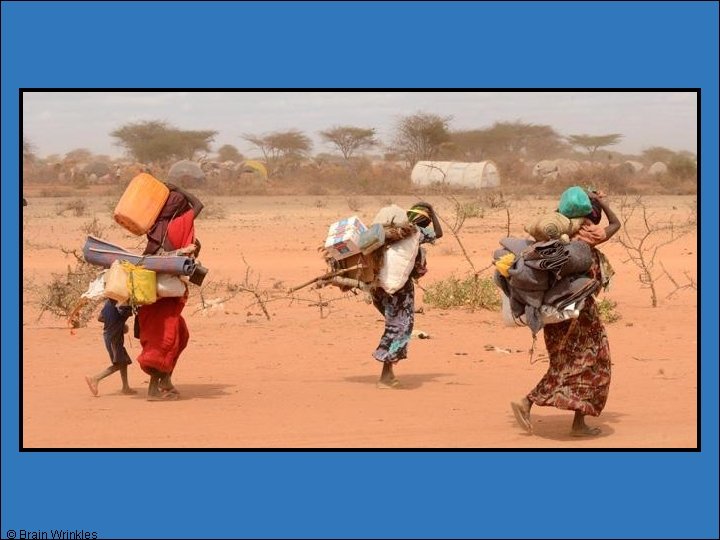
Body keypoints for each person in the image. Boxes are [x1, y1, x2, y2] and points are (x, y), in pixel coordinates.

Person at [511, 190, 620, 436]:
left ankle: (567, 418)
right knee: (593, 364)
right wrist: (602, 202)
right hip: (582, 315)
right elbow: (616, 224)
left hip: (556, 313)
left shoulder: (555, 235)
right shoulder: (587, 235)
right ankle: (531, 402)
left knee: (565, 362)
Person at [136, 184, 203, 401]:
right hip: (164, 300)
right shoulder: (177, 225)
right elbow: (198, 205)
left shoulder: (155, 227)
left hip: (153, 298)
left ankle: (165, 381)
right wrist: (179, 188)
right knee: (163, 341)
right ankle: (153, 390)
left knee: (180, 336)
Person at [371, 202, 443, 389]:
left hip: (378, 288)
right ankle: (386, 376)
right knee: (399, 328)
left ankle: (388, 373)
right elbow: (438, 233)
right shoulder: (416, 232)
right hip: (400, 290)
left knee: (393, 325)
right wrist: (432, 210)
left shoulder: (389, 235)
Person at [84, 299, 136, 396]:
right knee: (119, 364)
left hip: (110, 335)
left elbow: (100, 318)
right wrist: (119, 325)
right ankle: (95, 379)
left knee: (123, 361)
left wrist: (115, 323)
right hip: (113, 338)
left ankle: (125, 387)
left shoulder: (109, 302)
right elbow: (126, 314)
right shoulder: (122, 304)